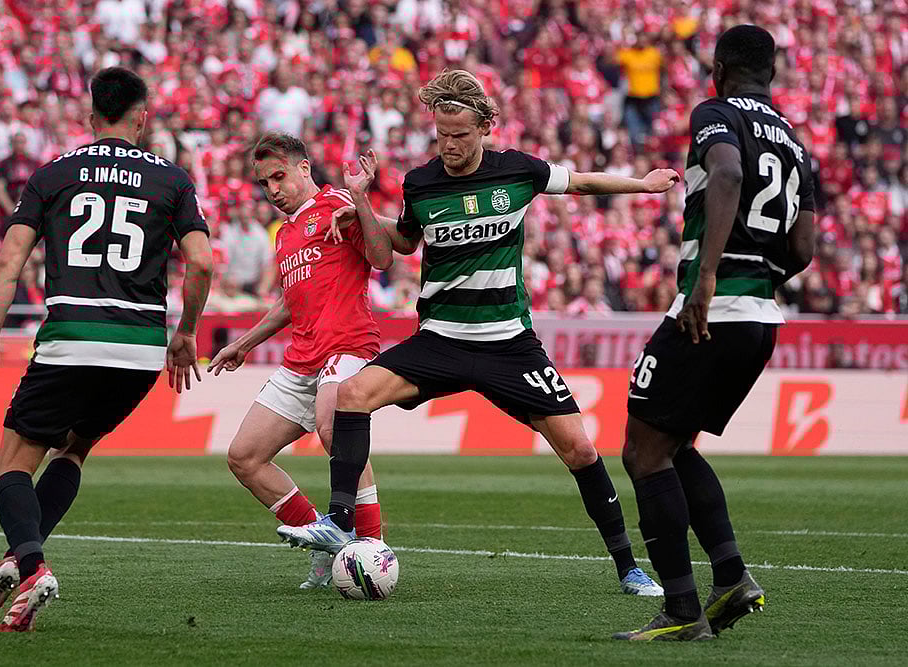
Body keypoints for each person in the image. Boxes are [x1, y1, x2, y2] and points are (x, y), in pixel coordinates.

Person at [279, 69, 680, 597]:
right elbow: (402, 243)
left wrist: (643, 185)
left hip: (509, 345)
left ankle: (629, 568)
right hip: (440, 340)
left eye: (460, 135)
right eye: (441, 135)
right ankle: (338, 520)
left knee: (581, 450)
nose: (448, 145)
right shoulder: (421, 183)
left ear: (487, 126)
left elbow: (581, 181)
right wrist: (362, 211)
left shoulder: (518, 171)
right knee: (352, 396)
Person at [0, 67, 213, 632]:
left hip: (71, 339)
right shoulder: (172, 179)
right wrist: (187, 332)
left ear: (89, 115)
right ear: (142, 117)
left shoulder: (53, 174)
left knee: (10, 465)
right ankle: (16, 561)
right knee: (72, 451)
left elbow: (8, 262)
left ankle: (32, 566)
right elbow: (201, 262)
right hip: (140, 350)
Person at [614, 25, 816, 641]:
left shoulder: (715, 113)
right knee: (673, 446)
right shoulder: (797, 143)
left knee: (643, 451)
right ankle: (730, 575)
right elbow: (804, 246)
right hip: (760, 319)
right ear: (772, 74)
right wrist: (760, 271)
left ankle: (681, 612)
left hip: (712, 309)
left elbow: (725, 174)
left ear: (719, 68)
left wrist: (707, 279)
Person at [207, 132, 391, 589]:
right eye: (264, 182)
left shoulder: (339, 205)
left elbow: (383, 257)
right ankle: (326, 544)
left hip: (349, 345)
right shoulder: (286, 233)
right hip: (302, 359)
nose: (272, 189)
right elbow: (290, 304)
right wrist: (244, 343)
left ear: (304, 169)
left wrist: (362, 205)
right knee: (244, 457)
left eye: (279, 176)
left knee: (334, 428)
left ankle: (371, 549)